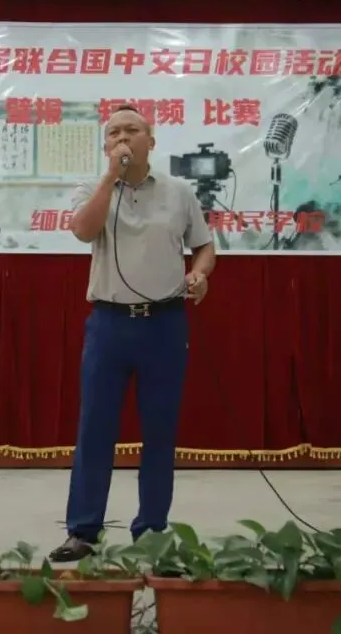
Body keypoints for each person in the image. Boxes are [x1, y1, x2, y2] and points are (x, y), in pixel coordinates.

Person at [48, 103, 215, 562]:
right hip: (109, 324)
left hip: (164, 323)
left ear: (151, 141)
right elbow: (83, 231)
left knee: (159, 431)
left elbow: (204, 246)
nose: (122, 138)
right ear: (106, 145)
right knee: (95, 429)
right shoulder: (92, 188)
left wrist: (200, 274)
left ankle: (152, 531)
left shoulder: (179, 192)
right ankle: (83, 531)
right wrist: (110, 178)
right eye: (114, 133)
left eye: (132, 131)